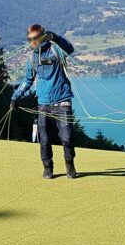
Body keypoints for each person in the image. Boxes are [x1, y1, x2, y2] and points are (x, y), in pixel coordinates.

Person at [10, 24, 77, 179]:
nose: (32, 42)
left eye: (35, 38)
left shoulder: (55, 49)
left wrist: (55, 36)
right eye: (29, 39)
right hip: (43, 104)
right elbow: (27, 81)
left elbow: (70, 49)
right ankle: (48, 168)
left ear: (42, 36)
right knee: (44, 141)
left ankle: (70, 164)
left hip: (62, 101)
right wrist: (15, 96)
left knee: (67, 138)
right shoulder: (32, 58)